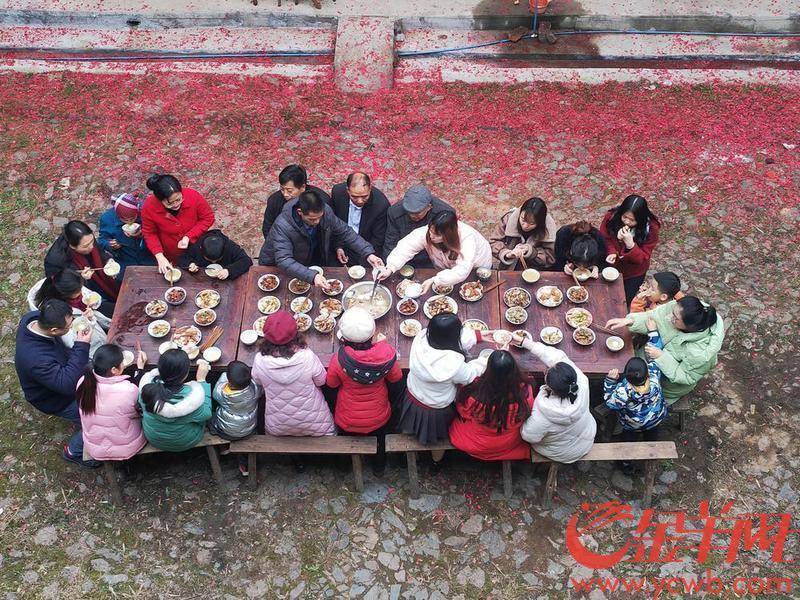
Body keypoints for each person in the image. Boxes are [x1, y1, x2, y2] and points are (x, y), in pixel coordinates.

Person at [14, 299, 97, 467]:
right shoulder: (35, 359)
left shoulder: (33, 318)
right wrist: (81, 345)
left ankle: (79, 419)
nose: (72, 325)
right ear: (53, 330)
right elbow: (67, 385)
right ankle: (74, 452)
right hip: (56, 399)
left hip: (63, 367)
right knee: (97, 419)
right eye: (68, 326)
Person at [401, 313, 490, 459]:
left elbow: (447, 337)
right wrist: (486, 360)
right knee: (438, 438)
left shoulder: (421, 339)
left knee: (409, 426)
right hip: (436, 408)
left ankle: (407, 457)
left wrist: (479, 336)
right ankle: (436, 463)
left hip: (413, 396)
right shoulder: (453, 366)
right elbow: (471, 375)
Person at [326, 308, 403, 475]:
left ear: (344, 337)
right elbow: (396, 379)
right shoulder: (387, 355)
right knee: (380, 437)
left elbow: (331, 384)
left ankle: (343, 466)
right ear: (372, 334)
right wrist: (382, 345)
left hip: (347, 418)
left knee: (345, 436)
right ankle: (379, 467)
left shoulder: (339, 359)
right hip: (380, 416)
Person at [606, 296, 724, 406]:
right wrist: (631, 321)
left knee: (634, 403)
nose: (669, 317)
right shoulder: (681, 308)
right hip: (646, 360)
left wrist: (661, 356)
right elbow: (653, 317)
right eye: (672, 312)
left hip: (664, 385)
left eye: (675, 318)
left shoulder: (703, 353)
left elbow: (687, 376)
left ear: (690, 327)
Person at [258, 191, 383, 289]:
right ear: (300, 212)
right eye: (312, 219)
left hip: (306, 256)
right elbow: (284, 260)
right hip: (275, 267)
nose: (317, 222)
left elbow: (345, 231)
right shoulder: (283, 225)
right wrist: (313, 276)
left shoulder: (325, 212)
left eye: (319, 217)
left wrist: (368, 253)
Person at [251, 311, 335, 437]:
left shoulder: (260, 360)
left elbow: (258, 381)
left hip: (278, 426)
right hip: (316, 423)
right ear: (296, 334)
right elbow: (321, 381)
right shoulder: (307, 356)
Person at [519, 337, 596, 463]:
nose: (547, 369)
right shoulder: (580, 381)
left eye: (546, 373)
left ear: (550, 387)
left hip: (562, 452)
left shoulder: (544, 415)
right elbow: (558, 357)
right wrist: (526, 343)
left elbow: (528, 436)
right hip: (586, 435)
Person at [449, 350, 534, 461]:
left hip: (477, 442)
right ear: (514, 369)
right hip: (507, 442)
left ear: (488, 369)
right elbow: (528, 411)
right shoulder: (525, 391)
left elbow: (463, 411)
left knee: (454, 426)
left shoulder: (474, 392)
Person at [378, 211, 492, 294]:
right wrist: (390, 267)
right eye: (430, 231)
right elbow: (406, 247)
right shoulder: (428, 233)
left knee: (471, 291)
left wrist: (435, 280)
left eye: (436, 234)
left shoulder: (467, 239)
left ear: (448, 235)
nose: (431, 236)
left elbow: (462, 270)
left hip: (475, 268)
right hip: (447, 270)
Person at [604, 320, 666, 469]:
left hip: (632, 424)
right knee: (651, 435)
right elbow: (655, 354)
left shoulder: (623, 391)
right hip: (655, 418)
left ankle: (626, 464)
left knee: (628, 442)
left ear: (626, 376)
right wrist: (653, 332)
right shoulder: (654, 376)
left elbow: (610, 402)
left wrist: (610, 382)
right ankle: (650, 448)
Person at [77, 343, 148, 461]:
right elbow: (139, 411)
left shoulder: (83, 382)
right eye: (122, 362)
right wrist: (140, 369)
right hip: (126, 447)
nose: (123, 363)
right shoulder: (128, 390)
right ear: (114, 370)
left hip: (95, 448)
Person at [138, 350, 212, 452]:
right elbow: (207, 413)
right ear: (186, 374)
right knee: (201, 419)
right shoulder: (190, 399)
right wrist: (201, 381)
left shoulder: (146, 390)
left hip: (154, 438)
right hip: (183, 442)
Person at [141, 174, 215, 274]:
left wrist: (189, 236)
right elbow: (149, 233)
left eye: (179, 199)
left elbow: (208, 218)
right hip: (171, 251)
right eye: (170, 203)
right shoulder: (149, 206)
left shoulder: (193, 196)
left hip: (197, 245)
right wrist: (159, 255)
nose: (176, 205)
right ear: (159, 199)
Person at [27, 269, 110, 356]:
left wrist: (94, 302)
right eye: (78, 293)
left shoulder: (72, 285)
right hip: (90, 347)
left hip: (98, 333)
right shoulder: (55, 313)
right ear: (64, 295)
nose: (81, 292)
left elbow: (89, 295)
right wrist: (87, 320)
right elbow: (70, 340)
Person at [600, 195, 661, 304]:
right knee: (604, 293)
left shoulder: (651, 228)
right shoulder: (611, 217)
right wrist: (612, 251)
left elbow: (644, 257)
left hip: (634, 272)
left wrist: (631, 245)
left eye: (632, 220)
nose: (627, 222)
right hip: (612, 266)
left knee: (624, 300)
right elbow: (605, 237)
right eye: (624, 217)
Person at [44, 220, 120, 303]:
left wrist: (108, 260)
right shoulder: (55, 261)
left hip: (99, 276)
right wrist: (81, 279)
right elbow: (62, 287)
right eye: (86, 246)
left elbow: (100, 252)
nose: (91, 247)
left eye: (92, 241)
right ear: (72, 246)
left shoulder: (87, 238)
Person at [383, 184, 454, 267]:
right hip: (403, 257)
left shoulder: (444, 214)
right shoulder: (394, 212)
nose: (412, 216)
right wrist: (389, 266)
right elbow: (390, 242)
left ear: (429, 207)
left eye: (417, 213)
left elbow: (450, 242)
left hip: (433, 259)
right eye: (409, 212)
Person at [328, 172, 390, 262]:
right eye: (355, 197)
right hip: (341, 243)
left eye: (364, 196)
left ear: (370, 189)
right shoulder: (337, 193)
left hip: (366, 247)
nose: (360, 201)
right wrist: (338, 246)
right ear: (347, 190)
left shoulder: (381, 205)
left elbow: (378, 239)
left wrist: (366, 256)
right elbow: (334, 222)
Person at [262, 164, 331, 239]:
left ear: (303, 187)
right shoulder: (274, 201)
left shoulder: (321, 200)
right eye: (282, 189)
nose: (285, 194)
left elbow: (331, 228)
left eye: (289, 191)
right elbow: (268, 229)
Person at [490, 197, 557, 270]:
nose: (525, 226)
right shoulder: (508, 219)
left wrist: (531, 252)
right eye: (523, 220)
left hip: (534, 271)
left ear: (540, 223)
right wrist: (507, 253)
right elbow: (494, 241)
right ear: (520, 213)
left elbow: (551, 258)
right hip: (508, 267)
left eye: (531, 223)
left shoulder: (548, 229)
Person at [97, 193, 155, 277]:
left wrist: (142, 234)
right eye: (124, 219)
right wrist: (110, 244)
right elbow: (102, 240)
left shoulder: (143, 211)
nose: (129, 222)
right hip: (125, 261)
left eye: (132, 219)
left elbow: (156, 232)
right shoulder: (107, 219)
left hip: (148, 258)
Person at [210, 361, 262, 441]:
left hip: (228, 432)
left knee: (211, 418)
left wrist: (224, 374)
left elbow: (216, 390)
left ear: (229, 382)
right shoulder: (256, 388)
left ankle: (214, 431)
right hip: (249, 428)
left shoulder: (223, 393)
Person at [178, 229, 253, 281]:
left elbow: (246, 261)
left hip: (227, 280)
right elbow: (182, 259)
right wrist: (190, 264)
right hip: (202, 280)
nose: (214, 262)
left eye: (217, 260)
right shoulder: (196, 246)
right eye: (209, 260)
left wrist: (229, 271)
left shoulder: (229, 246)